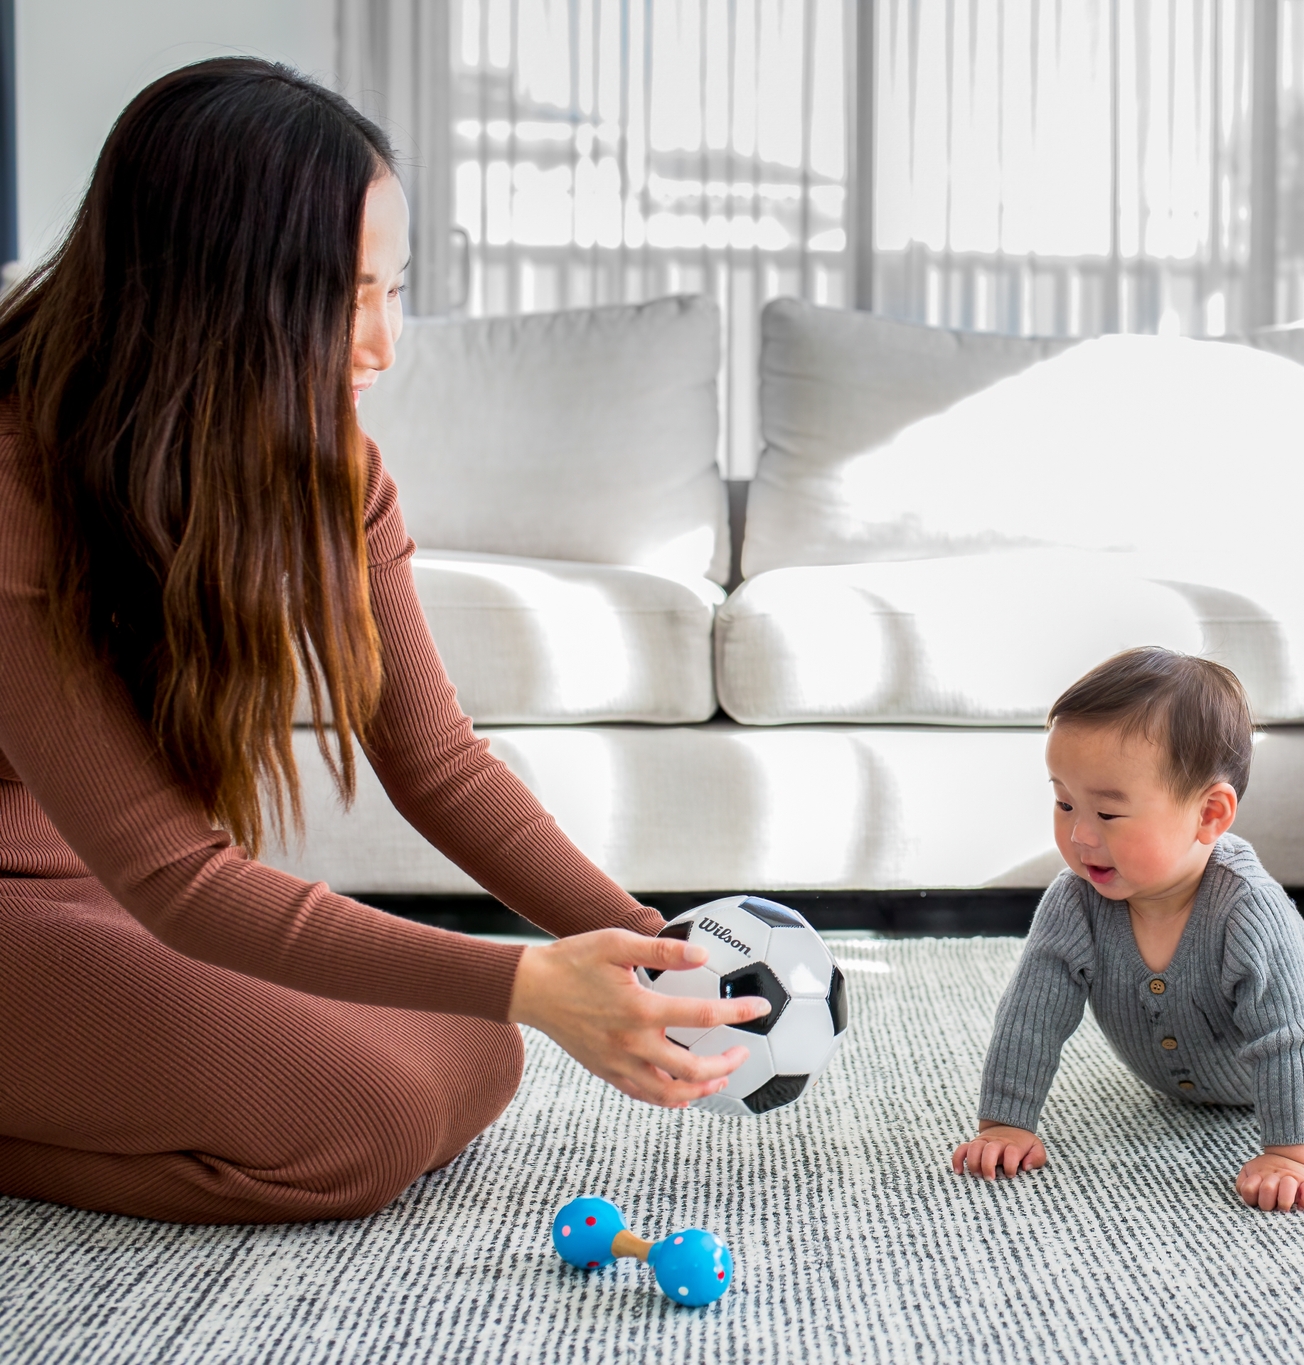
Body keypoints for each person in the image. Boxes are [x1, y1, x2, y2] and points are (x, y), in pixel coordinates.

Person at [0, 59, 768, 1224]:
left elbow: (438, 760)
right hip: (87, 898)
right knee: (358, 1128)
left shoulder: (328, 474)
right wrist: (527, 979)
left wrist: (644, 947)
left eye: (393, 290)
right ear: (205, 295)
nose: (382, 345)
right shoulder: (14, 478)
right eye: (341, 295)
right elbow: (178, 879)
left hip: (90, 895)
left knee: (477, 1053)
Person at [949, 648, 1304, 1211]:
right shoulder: (1075, 903)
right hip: (1208, 1064)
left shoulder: (1248, 910)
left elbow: (1292, 1037)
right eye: (1064, 803)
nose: (1080, 835)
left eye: (1108, 814)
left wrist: (1290, 1155)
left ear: (1210, 814)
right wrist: (1004, 1124)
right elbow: (1031, 1016)